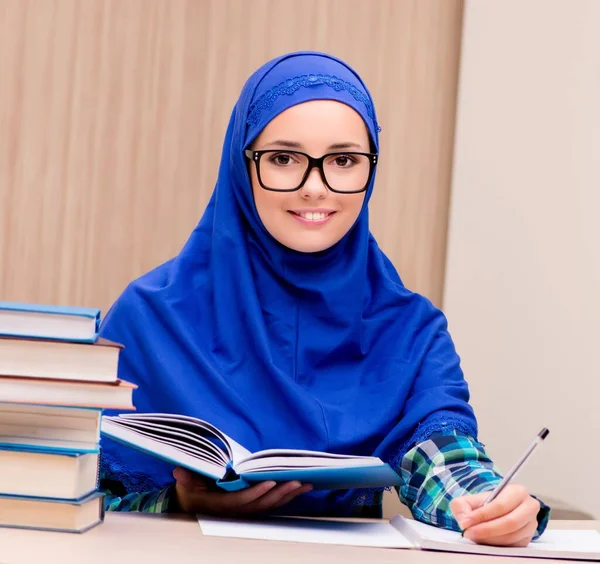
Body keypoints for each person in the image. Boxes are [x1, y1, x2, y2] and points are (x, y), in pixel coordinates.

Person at [99, 51, 549, 547]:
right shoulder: (149, 316)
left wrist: (490, 506)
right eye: (284, 159)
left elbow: (444, 460)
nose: (315, 188)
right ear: (241, 165)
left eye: (343, 160)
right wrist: (179, 504)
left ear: (370, 169)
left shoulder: (410, 329)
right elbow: (78, 487)